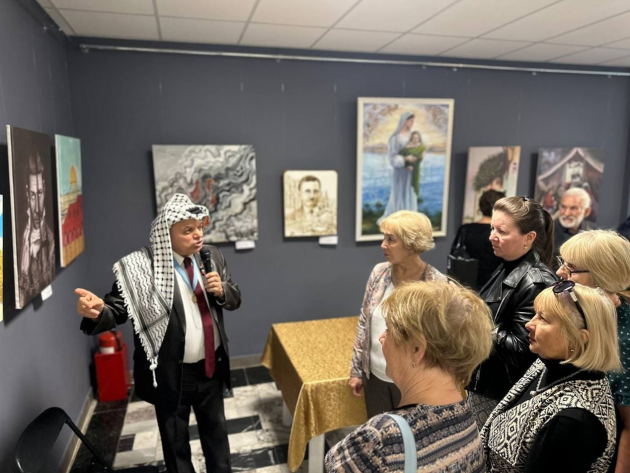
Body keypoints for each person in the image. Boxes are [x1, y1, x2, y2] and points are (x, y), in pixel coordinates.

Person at [75, 194, 241, 473]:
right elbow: (116, 309)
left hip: (211, 367)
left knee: (217, 435)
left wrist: (222, 291)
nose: (198, 235)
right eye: (187, 230)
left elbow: (235, 298)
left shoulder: (212, 256)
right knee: (175, 443)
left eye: (199, 227)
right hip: (171, 373)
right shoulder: (141, 268)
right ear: (166, 235)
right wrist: (96, 311)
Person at [327, 281, 493, 472]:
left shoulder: (379, 439)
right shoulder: (469, 421)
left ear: (416, 349)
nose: (382, 337)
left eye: (389, 330)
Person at [481, 282, 621, 472]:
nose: (529, 324)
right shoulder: (548, 363)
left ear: (579, 338)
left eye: (543, 319)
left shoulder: (574, 420)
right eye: (535, 314)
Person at [467, 196, 557, 428]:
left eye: (502, 231)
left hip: (503, 395)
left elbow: (523, 350)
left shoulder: (535, 282)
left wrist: (477, 322)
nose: (491, 236)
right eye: (492, 228)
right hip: (486, 385)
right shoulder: (506, 266)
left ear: (529, 238)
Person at [349, 210, 447, 418]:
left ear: (412, 244)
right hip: (374, 377)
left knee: (411, 435)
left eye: (391, 239)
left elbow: (440, 343)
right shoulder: (379, 273)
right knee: (380, 433)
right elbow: (364, 323)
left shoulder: (436, 284)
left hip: (414, 381)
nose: (383, 245)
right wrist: (357, 370)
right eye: (384, 237)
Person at [557, 230, 630, 473]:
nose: (560, 272)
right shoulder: (578, 309)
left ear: (603, 276)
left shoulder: (622, 337)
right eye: (562, 263)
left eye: (571, 268)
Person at [19, 152, 55, 307]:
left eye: (39, 194)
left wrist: (32, 259)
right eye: (33, 196)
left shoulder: (50, 240)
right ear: (27, 194)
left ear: (45, 190)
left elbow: (42, 283)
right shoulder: (21, 237)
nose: (37, 208)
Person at [450, 189, 505, 290]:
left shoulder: (465, 229)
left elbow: (454, 254)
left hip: (465, 285)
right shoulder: (500, 233)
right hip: (493, 286)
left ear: (481, 206)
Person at [377, 113, 421, 223]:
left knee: (410, 194)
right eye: (411, 121)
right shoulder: (395, 138)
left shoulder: (412, 136)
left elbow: (419, 150)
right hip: (400, 172)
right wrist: (406, 159)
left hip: (411, 173)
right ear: (405, 121)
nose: (412, 123)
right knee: (400, 194)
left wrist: (415, 161)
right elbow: (392, 158)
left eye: (413, 121)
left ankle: (410, 219)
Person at [553, 187, 596, 269]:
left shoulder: (594, 233)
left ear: (586, 211)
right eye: (563, 207)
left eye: (573, 208)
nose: (566, 213)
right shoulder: (545, 231)